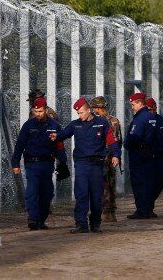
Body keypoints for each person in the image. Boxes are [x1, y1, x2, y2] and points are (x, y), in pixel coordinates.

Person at [50, 97, 121, 233]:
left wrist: (116, 155)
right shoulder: (75, 124)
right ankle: (81, 224)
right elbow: (62, 135)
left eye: (82, 112)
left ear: (89, 110)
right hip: (81, 164)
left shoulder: (102, 123)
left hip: (97, 164)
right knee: (81, 194)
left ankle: (95, 223)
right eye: (78, 113)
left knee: (96, 195)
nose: (80, 115)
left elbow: (112, 140)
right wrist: (53, 136)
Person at [12, 97, 67, 230]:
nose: (38, 114)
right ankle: (33, 219)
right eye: (36, 111)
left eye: (40, 111)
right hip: (32, 164)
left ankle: (41, 220)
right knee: (32, 191)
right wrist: (15, 163)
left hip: (48, 164)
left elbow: (59, 146)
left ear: (46, 110)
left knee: (47, 193)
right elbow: (20, 145)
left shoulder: (54, 125)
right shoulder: (28, 125)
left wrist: (63, 162)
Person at [124, 92, 159, 219]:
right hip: (149, 154)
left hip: (138, 154)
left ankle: (141, 210)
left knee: (138, 183)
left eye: (133, 104)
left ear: (139, 103)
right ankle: (148, 209)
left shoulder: (140, 118)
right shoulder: (152, 117)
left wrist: (127, 145)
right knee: (148, 182)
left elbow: (134, 137)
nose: (132, 107)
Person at [89, 96, 122, 222]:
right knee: (110, 184)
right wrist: (117, 156)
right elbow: (119, 141)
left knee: (100, 184)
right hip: (111, 156)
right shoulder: (114, 121)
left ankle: (104, 211)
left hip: (100, 156)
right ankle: (110, 212)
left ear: (98, 108)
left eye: (94, 108)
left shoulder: (95, 121)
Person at [146, 97, 163, 218]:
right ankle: (146, 207)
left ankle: (149, 204)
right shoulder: (143, 121)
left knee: (159, 182)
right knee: (147, 183)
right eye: (150, 109)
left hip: (158, 157)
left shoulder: (160, 120)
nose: (152, 111)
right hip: (146, 158)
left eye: (154, 109)